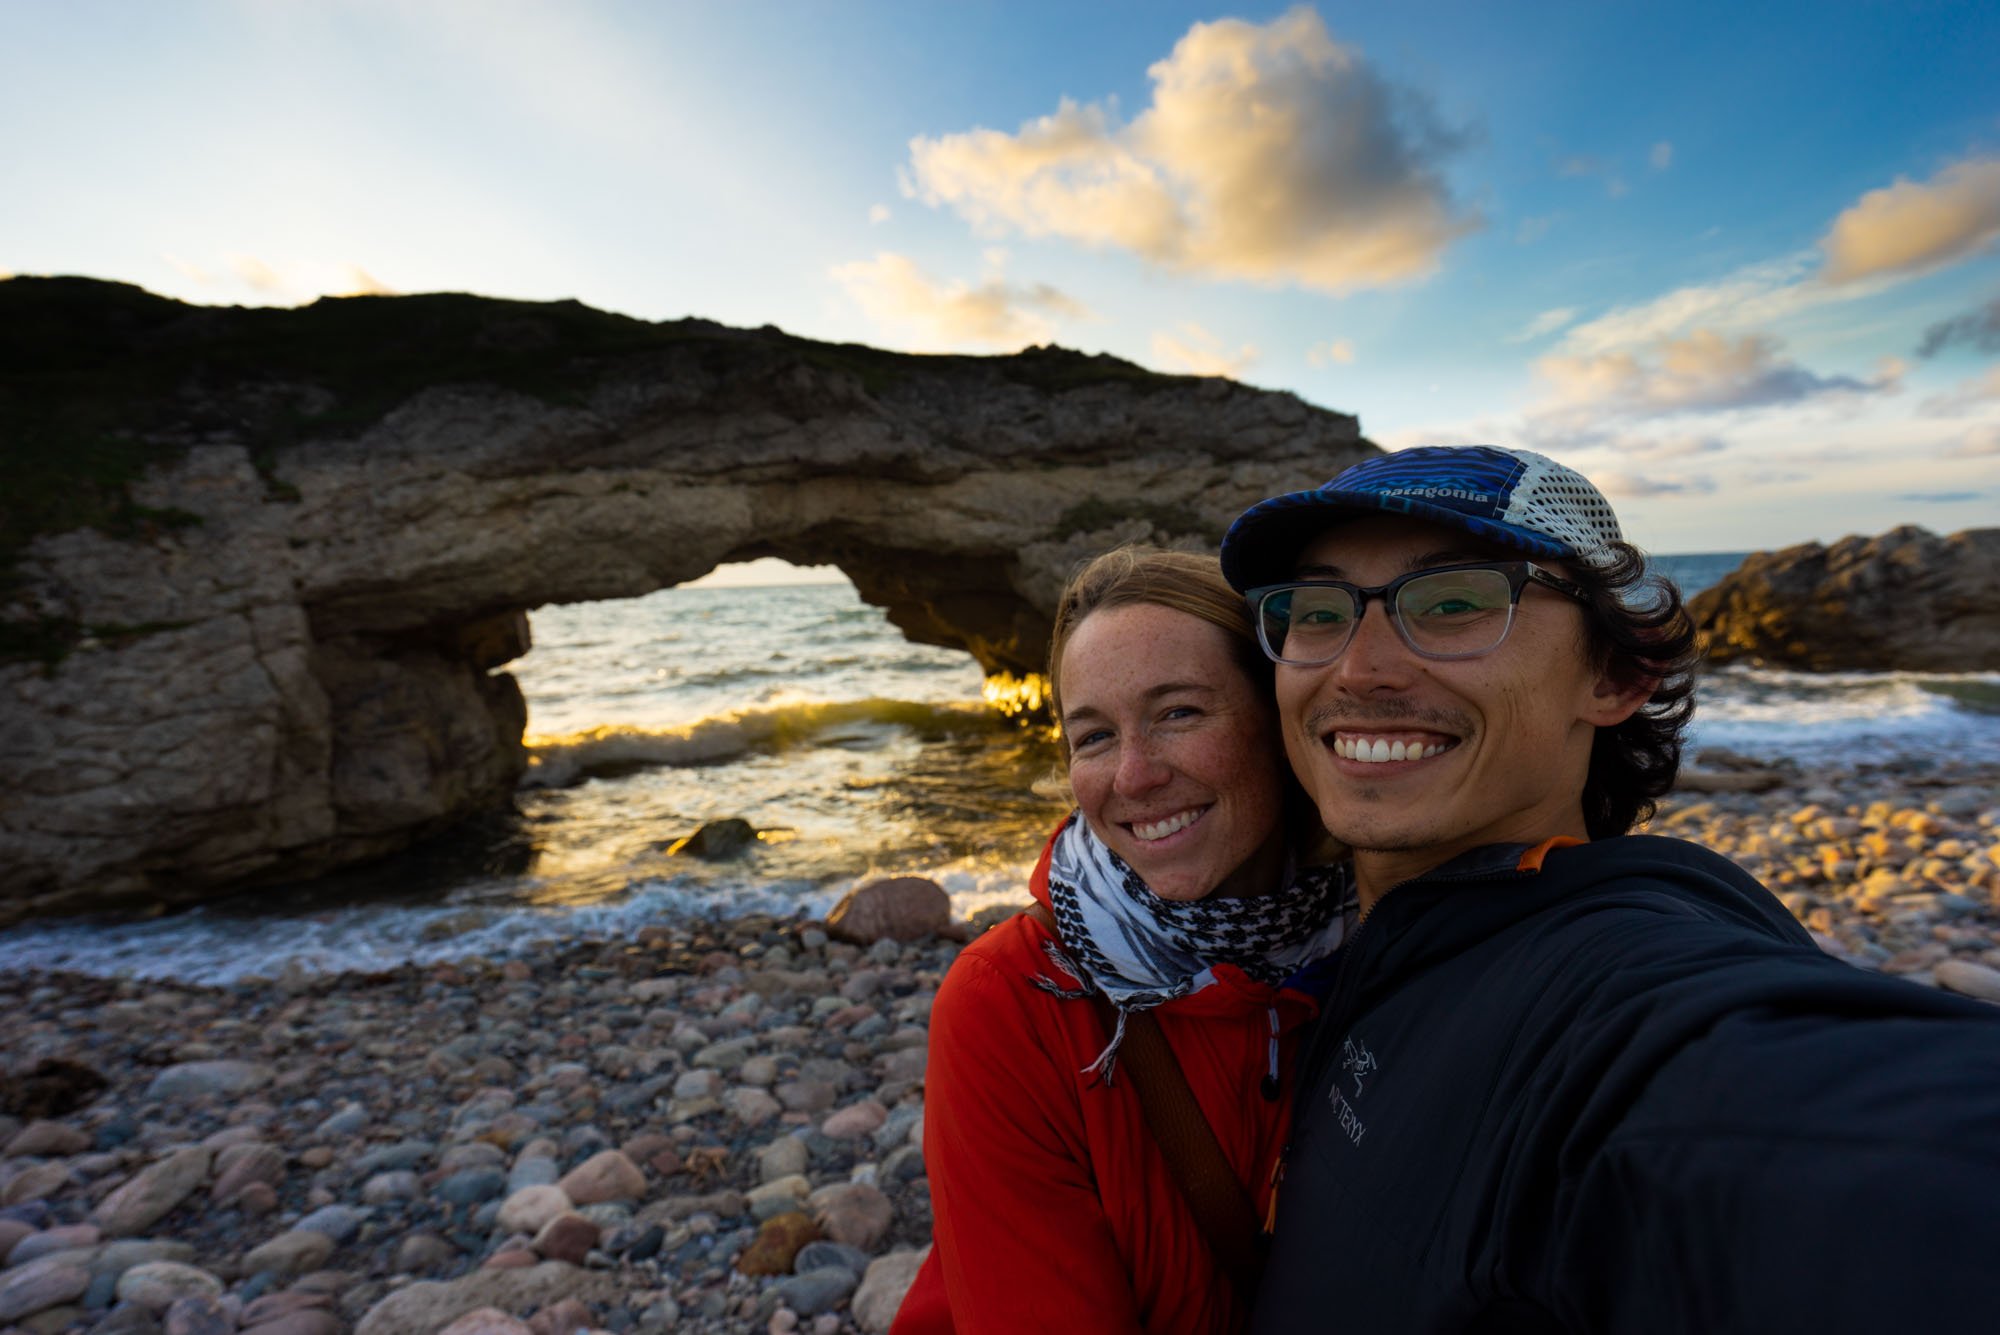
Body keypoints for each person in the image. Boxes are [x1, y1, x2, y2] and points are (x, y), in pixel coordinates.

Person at [1217, 444, 2000, 1332]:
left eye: (1457, 602)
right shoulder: (1298, 948)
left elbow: (1825, 1136)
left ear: (1617, 676)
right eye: (1318, 612)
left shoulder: (1610, 988)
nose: (1359, 670)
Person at [894, 547, 1350, 1335]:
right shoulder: (1010, 1000)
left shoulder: (1388, 941)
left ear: (1281, 719)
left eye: (1178, 712)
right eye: (1094, 736)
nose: (1133, 777)